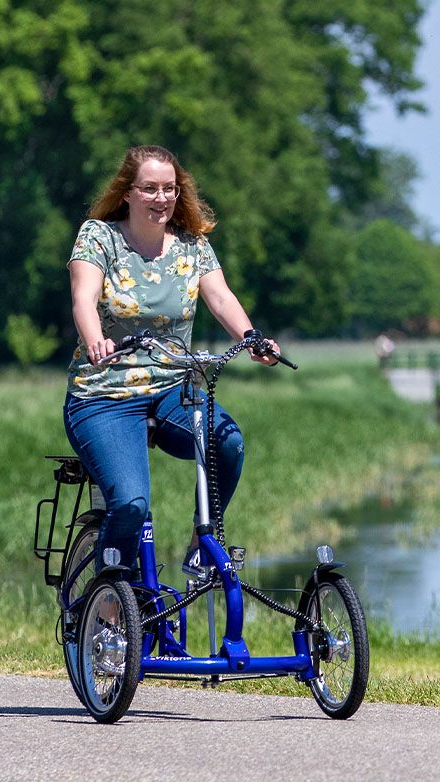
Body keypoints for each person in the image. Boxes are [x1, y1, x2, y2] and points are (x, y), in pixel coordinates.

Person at [63, 144, 279, 576]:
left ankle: (205, 541)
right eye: (149, 189)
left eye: (169, 189)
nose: (161, 198)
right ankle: (106, 606)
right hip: (104, 392)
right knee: (131, 503)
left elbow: (219, 296)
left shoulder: (193, 247)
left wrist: (251, 337)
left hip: (171, 391)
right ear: (127, 193)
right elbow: (83, 297)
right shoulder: (99, 236)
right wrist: (95, 341)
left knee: (227, 441)